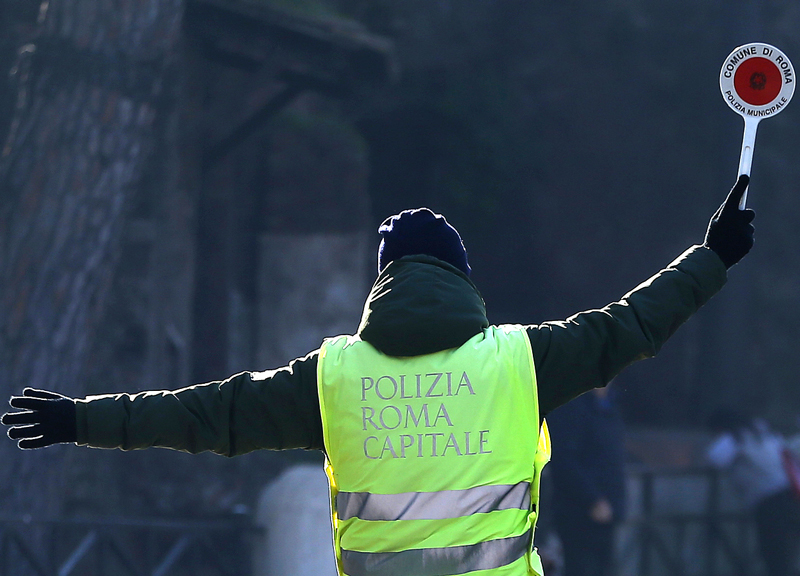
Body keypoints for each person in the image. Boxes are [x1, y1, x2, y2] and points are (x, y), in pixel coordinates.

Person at [3, 175, 755, 576]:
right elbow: (632, 325)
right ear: (462, 279)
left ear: (381, 286)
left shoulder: (332, 379)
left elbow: (203, 415)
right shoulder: (522, 360)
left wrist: (80, 420)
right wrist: (712, 257)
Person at [706, 409, 800, 576]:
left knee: (775, 554)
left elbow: (714, 459)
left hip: (769, 501)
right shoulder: (764, 433)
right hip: (791, 495)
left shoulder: (733, 439)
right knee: (786, 552)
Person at [547, 384, 626, 576]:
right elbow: (563, 460)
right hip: (578, 512)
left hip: (609, 510)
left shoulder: (610, 405)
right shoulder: (571, 406)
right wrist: (592, 500)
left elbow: (613, 457)